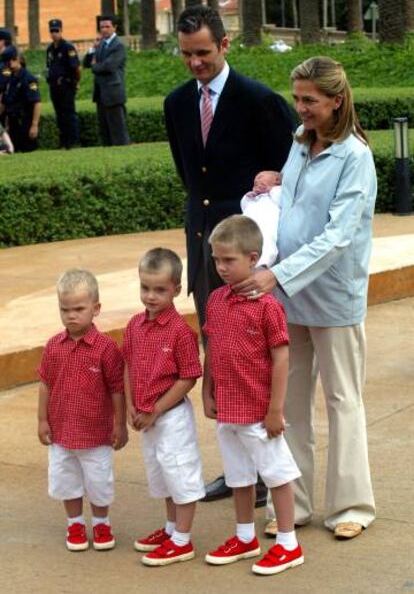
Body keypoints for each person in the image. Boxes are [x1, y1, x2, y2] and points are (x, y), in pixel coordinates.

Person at [234, 56, 377, 540]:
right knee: (290, 403)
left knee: (342, 400)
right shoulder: (298, 143)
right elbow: (296, 207)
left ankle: (351, 506)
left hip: (333, 295)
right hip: (290, 295)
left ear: (336, 101)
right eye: (297, 99)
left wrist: (278, 276)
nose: (301, 109)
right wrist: (274, 181)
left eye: (310, 100)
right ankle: (293, 504)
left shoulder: (356, 157)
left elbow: (338, 237)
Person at [164, 4, 295, 502]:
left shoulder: (259, 100)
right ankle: (240, 472)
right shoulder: (177, 104)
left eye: (202, 52)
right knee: (217, 350)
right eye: (186, 54)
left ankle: (268, 471)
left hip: (247, 250)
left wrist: (276, 177)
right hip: (203, 246)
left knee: (252, 360)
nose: (195, 62)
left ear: (224, 45)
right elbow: (189, 176)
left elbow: (294, 164)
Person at [202, 215, 304, 576]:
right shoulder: (215, 300)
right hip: (227, 408)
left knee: (277, 475)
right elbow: (213, 345)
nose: (221, 267)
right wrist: (207, 389)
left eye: (228, 260)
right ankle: (245, 537)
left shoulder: (268, 306)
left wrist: (275, 410)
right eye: (216, 260)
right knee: (238, 477)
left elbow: (281, 357)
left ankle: (289, 544)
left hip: (259, 409)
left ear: (252, 257)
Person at [122, 248, 205, 567]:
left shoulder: (181, 331)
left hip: (170, 417)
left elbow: (188, 377)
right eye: (145, 288)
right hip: (146, 417)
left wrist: (156, 409)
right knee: (162, 476)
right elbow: (127, 364)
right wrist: (131, 405)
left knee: (180, 474)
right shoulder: (134, 326)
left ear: (176, 290)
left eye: (160, 289)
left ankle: (182, 540)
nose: (151, 296)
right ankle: (171, 529)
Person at [37, 269, 128, 552]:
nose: (71, 315)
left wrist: (120, 424)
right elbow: (45, 384)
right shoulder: (53, 346)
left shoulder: (106, 349)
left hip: (96, 433)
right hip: (62, 432)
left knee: (99, 481)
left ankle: (101, 522)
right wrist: (42, 420)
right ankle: (74, 522)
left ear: (96, 309)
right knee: (67, 481)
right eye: (65, 309)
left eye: (78, 308)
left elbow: (117, 390)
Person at [83, 15, 129, 146]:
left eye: (107, 26)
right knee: (105, 131)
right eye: (102, 27)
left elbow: (109, 67)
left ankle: (123, 154)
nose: (104, 29)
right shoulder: (101, 44)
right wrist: (93, 48)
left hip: (113, 93)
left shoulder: (118, 46)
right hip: (100, 93)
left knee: (118, 131)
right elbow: (86, 63)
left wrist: (94, 65)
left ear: (114, 27)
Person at [46, 19, 80, 148]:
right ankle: (64, 141)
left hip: (66, 84)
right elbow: (49, 67)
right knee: (59, 114)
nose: (54, 33)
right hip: (54, 86)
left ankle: (74, 142)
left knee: (69, 113)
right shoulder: (50, 49)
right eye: (52, 31)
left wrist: (75, 82)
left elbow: (76, 68)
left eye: (57, 31)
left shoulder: (67, 47)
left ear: (61, 31)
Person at [0, 45, 40, 152]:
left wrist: (34, 125)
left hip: (25, 123)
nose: (10, 65)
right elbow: (5, 103)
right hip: (13, 124)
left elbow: (36, 103)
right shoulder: (9, 79)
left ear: (18, 59)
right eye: (8, 62)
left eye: (13, 61)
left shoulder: (28, 79)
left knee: (28, 153)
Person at [241, 171, 282, 267]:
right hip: (248, 225)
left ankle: (262, 265)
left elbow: (283, 200)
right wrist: (251, 195)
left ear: (277, 180)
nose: (257, 179)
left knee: (266, 243)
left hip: (265, 225)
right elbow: (244, 205)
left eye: (261, 177)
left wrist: (271, 189)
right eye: (256, 178)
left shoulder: (278, 192)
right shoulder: (254, 197)